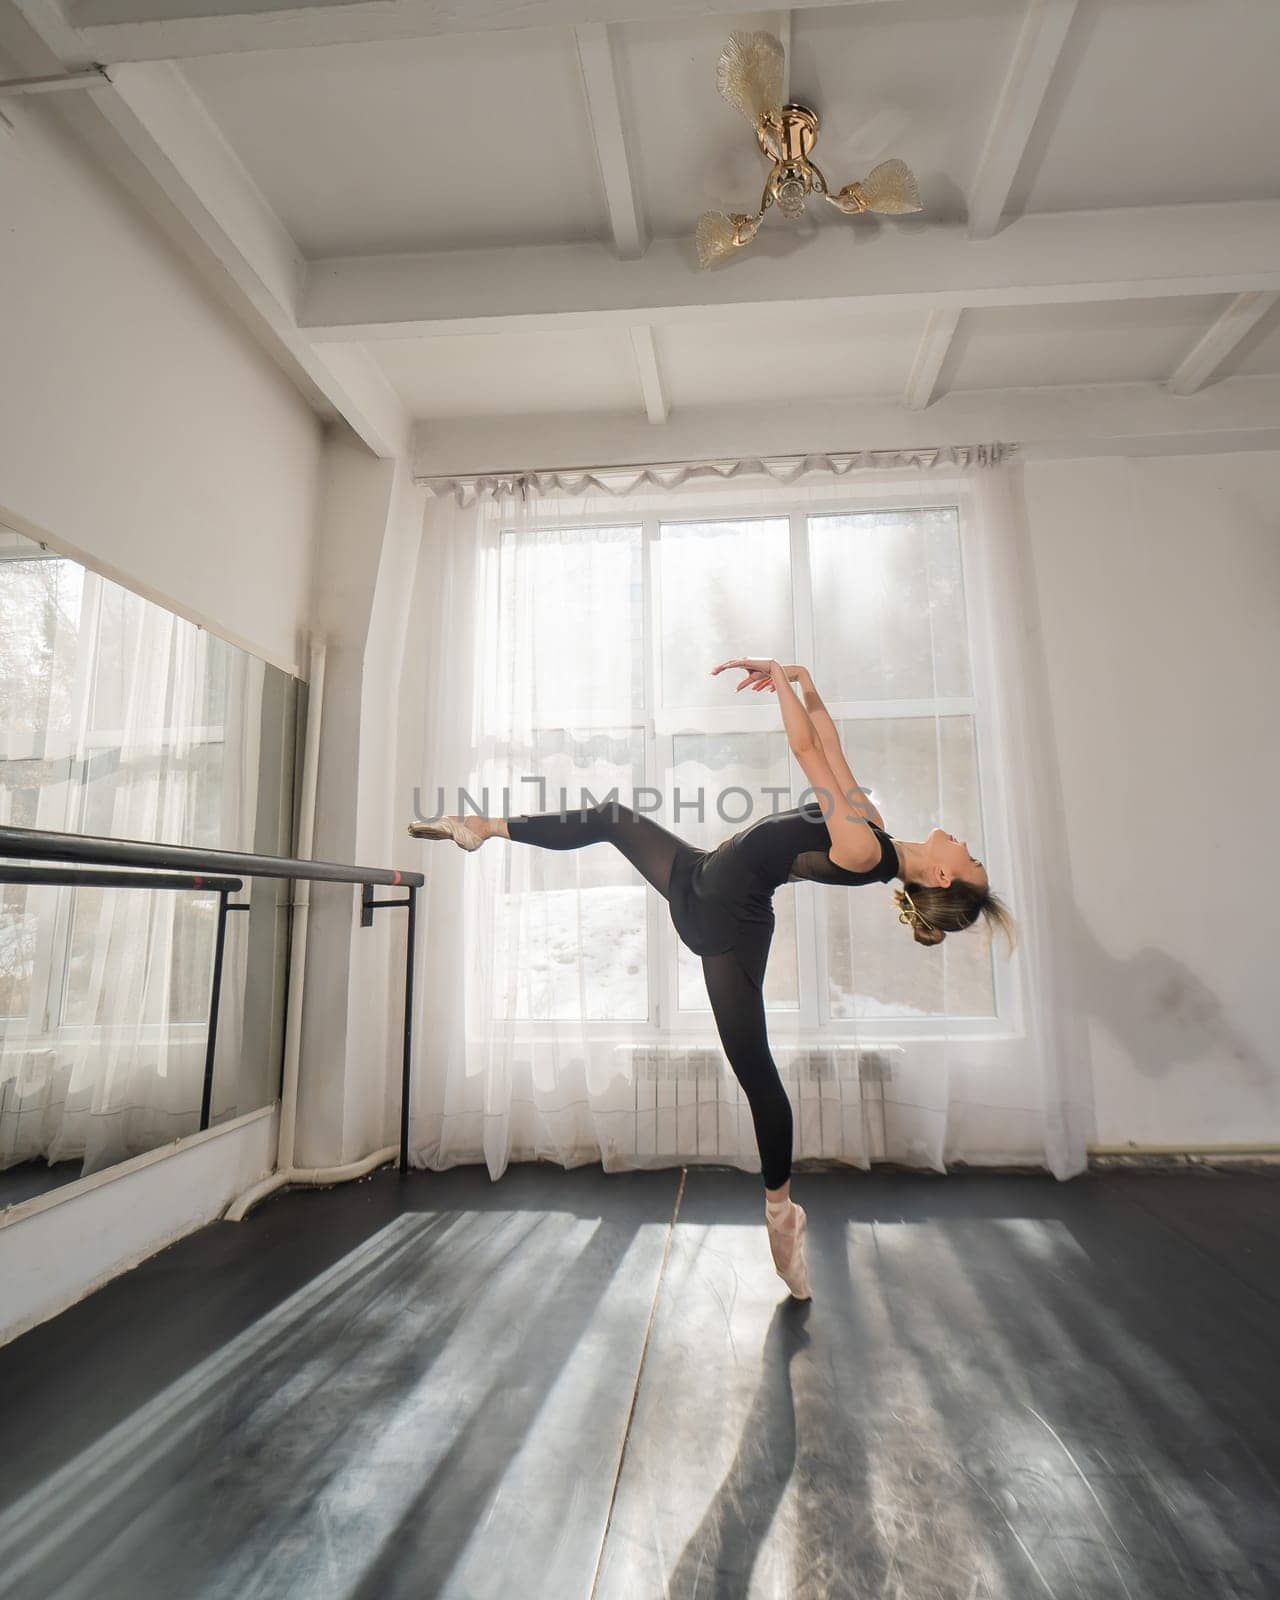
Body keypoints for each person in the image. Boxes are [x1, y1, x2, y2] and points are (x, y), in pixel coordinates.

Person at [409, 657, 1016, 1301]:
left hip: (730, 920)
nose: (965, 844)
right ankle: (482, 828)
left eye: (970, 858)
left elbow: (806, 750)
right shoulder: (871, 826)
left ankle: (781, 1214)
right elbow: (829, 743)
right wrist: (808, 684)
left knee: (756, 1074)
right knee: (613, 816)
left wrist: (779, 683)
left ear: (944, 879)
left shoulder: (865, 849)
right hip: (700, 875)